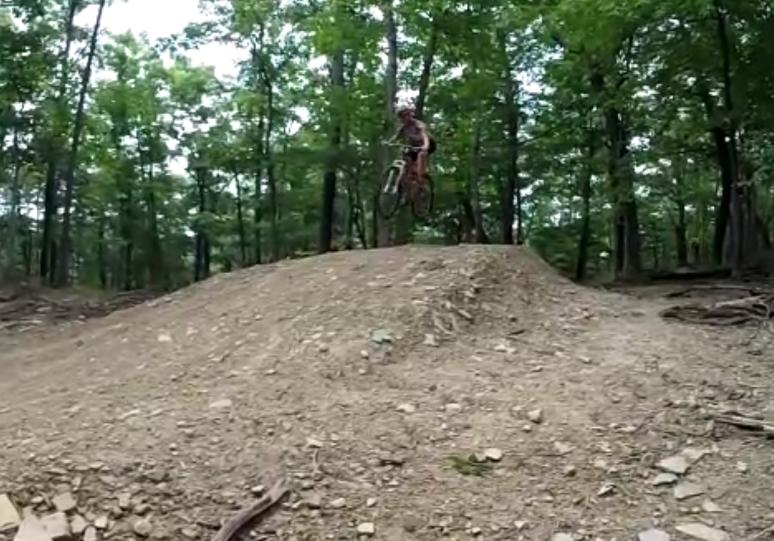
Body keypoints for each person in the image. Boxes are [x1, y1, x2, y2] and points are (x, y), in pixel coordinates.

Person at [389, 106, 436, 181]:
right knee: (406, 156)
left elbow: (424, 135)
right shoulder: (403, 127)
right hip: (415, 146)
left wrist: (425, 146)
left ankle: (421, 178)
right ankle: (410, 177)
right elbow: (396, 136)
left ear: (409, 115)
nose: (403, 119)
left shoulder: (418, 124)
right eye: (401, 117)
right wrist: (389, 142)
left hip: (428, 143)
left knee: (421, 154)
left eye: (405, 116)